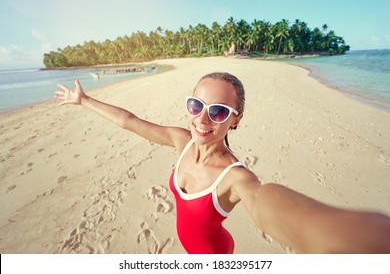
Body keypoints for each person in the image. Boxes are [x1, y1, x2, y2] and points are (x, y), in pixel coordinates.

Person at [55, 73, 390, 254]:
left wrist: (329, 233)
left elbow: (264, 202)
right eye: (196, 105)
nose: (202, 118)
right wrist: (84, 100)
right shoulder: (181, 141)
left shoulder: (237, 177)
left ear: (235, 120)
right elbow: (130, 120)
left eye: (218, 111)